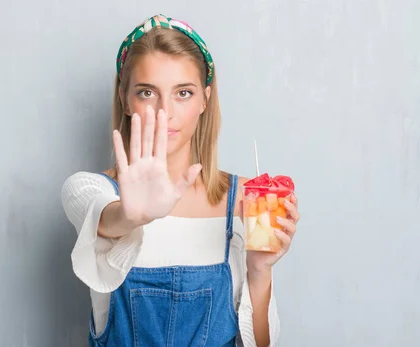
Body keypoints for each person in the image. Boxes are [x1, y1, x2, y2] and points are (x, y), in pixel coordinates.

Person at [61, 14, 300, 347]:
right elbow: (105, 219)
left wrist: (260, 270)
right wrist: (134, 216)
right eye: (147, 92)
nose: (165, 112)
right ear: (125, 99)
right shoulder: (91, 190)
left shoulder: (247, 200)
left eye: (183, 93)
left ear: (205, 99)